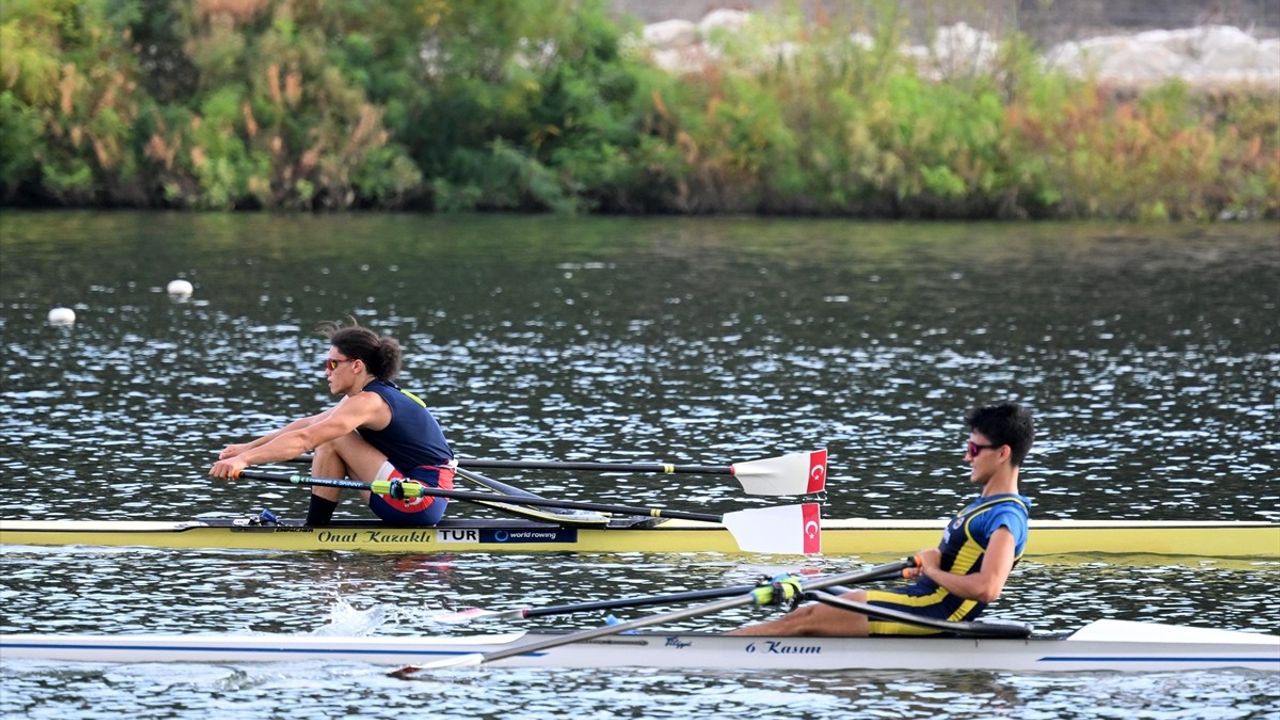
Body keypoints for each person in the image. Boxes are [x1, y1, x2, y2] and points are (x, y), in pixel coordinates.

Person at [732, 401, 1033, 636]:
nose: (968, 457)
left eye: (974, 449)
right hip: (922, 601)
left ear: (1003, 453)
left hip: (935, 612)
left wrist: (934, 570)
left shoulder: (1006, 516)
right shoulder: (985, 506)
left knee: (804, 619)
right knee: (809, 607)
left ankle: (700, 652)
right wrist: (930, 567)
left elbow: (988, 589)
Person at [209, 320, 455, 527]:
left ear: (357, 365)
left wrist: (244, 461)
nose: (327, 372)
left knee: (332, 437)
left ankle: (314, 531)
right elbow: (306, 425)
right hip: (408, 492)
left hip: (421, 497)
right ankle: (315, 527)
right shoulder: (364, 398)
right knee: (327, 434)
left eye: (332, 364)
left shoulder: (370, 401)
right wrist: (248, 448)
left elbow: (306, 439)